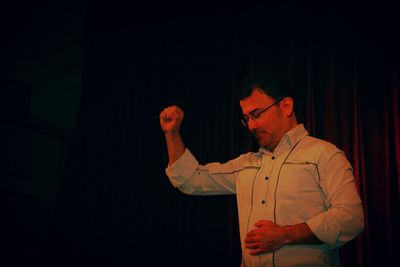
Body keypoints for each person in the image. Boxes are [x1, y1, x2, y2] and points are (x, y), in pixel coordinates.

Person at [159, 70, 364, 267]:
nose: (251, 126)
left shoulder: (323, 155)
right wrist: (172, 133)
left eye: (256, 114)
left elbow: (350, 218)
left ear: (286, 106)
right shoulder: (246, 165)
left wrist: (285, 235)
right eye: (246, 118)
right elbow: (190, 180)